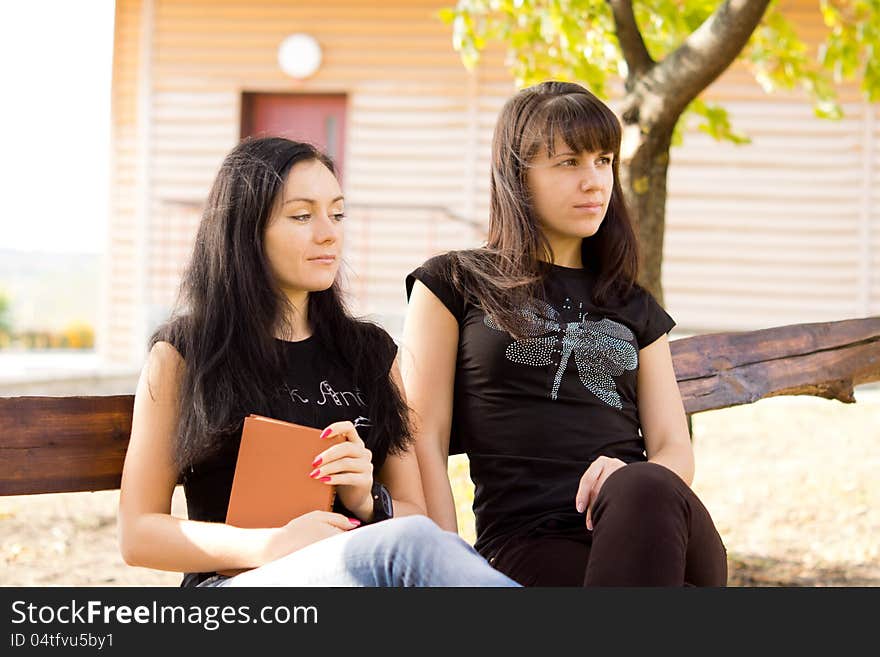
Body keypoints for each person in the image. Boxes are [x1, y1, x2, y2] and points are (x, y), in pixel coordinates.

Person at [117, 136, 518, 588]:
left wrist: (367, 499)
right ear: (246, 230)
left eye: (337, 212)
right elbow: (138, 533)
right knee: (412, 549)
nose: (328, 232)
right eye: (302, 215)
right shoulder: (186, 354)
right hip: (236, 589)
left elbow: (412, 514)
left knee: (423, 545)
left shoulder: (368, 352)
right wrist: (271, 545)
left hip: (360, 579)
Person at [401, 81, 728, 587]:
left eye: (603, 161)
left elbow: (672, 448)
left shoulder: (633, 304)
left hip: (654, 523)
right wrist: (446, 564)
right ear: (518, 175)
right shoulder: (454, 283)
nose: (595, 182)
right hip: (529, 542)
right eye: (569, 162)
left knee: (643, 482)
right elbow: (424, 436)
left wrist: (623, 475)